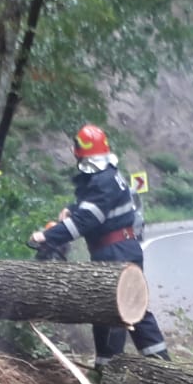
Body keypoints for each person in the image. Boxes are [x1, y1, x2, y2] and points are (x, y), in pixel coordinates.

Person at [30, 123, 168, 366]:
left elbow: (88, 219)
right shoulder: (107, 177)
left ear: (80, 151)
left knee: (119, 310)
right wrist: (71, 210)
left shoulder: (103, 180)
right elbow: (93, 209)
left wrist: (48, 237)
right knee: (118, 309)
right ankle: (139, 369)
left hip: (116, 252)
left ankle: (139, 370)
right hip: (118, 250)